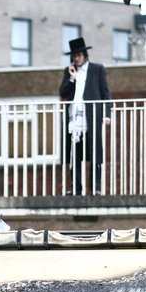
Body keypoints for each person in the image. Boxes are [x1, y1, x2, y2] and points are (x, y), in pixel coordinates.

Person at [59, 36, 111, 194]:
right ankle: (76, 188)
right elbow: (63, 92)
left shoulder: (97, 69)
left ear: (85, 55)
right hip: (73, 118)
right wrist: (72, 78)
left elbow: (105, 94)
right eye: (74, 56)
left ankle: (95, 187)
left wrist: (107, 113)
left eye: (79, 55)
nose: (77, 58)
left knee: (95, 153)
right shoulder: (69, 72)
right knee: (74, 155)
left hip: (92, 117)